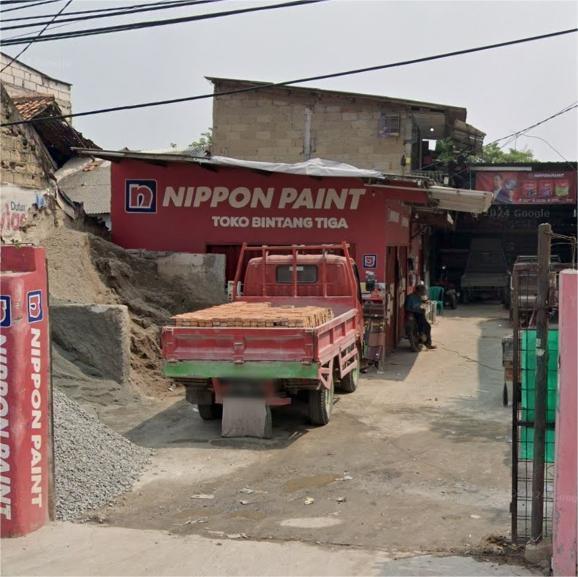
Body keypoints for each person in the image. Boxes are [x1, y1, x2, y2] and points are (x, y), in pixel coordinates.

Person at [405, 285, 436, 349]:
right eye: (421, 292)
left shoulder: (421, 296)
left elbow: (427, 301)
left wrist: (427, 302)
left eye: (423, 292)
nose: (422, 293)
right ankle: (419, 337)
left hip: (420, 313)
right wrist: (417, 308)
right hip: (412, 313)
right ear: (417, 291)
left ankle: (428, 343)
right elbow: (407, 308)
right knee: (416, 326)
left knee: (428, 326)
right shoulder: (410, 297)